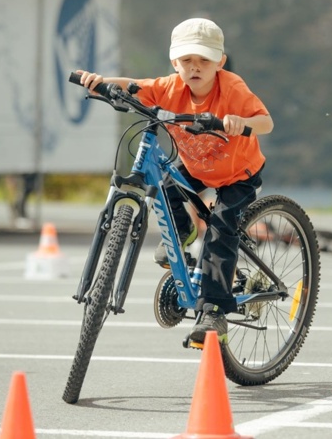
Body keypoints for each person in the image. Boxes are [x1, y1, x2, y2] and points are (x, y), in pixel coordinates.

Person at [75, 18, 274, 346]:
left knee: (221, 233)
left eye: (204, 61)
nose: (195, 68)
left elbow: (266, 122)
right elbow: (134, 86)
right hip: (196, 168)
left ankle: (213, 311)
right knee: (166, 183)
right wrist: (100, 82)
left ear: (220, 63)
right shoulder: (170, 88)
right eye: (187, 61)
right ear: (174, 61)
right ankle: (182, 232)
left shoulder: (233, 88)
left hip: (238, 175)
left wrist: (242, 122)